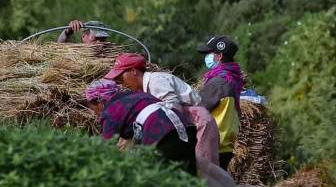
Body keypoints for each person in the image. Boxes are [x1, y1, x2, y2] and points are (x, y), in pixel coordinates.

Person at [103, 53, 221, 169]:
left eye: (121, 77)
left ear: (134, 71)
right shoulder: (143, 89)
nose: (121, 82)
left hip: (198, 122)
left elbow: (174, 108)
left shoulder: (156, 81)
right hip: (187, 123)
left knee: (204, 167)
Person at [85, 79, 198, 175]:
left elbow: (106, 148)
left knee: (160, 177)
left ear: (99, 101)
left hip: (161, 134)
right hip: (186, 127)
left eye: (93, 108)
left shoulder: (110, 111)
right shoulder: (137, 95)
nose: (95, 113)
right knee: (189, 176)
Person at [197, 35, 245, 171]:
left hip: (213, 146)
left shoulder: (218, 83)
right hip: (225, 147)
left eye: (209, 54)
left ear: (219, 56)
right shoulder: (232, 79)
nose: (206, 57)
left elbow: (199, 110)